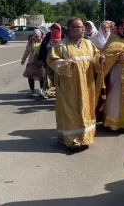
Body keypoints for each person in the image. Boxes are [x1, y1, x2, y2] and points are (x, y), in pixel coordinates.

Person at [47, 18, 104, 150]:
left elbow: (95, 58)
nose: (83, 29)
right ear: (71, 29)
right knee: (71, 111)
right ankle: (71, 139)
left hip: (87, 84)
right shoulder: (61, 45)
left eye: (83, 27)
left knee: (86, 109)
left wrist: (99, 59)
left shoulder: (89, 44)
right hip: (69, 87)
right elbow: (52, 60)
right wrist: (67, 64)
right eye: (79, 27)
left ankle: (85, 137)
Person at [38, 23, 64, 98]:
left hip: (59, 61)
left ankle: (58, 92)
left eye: (57, 29)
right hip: (48, 61)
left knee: (58, 78)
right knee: (48, 77)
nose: (55, 30)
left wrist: (60, 42)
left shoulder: (63, 37)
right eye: (53, 28)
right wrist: (40, 59)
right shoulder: (48, 37)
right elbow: (42, 48)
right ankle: (47, 92)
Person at [21, 29, 44, 95]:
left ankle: (42, 89)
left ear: (41, 36)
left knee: (41, 76)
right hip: (32, 61)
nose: (37, 38)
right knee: (30, 76)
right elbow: (27, 51)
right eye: (35, 36)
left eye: (38, 36)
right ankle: (31, 89)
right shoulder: (30, 42)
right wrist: (23, 59)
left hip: (40, 62)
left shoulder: (43, 42)